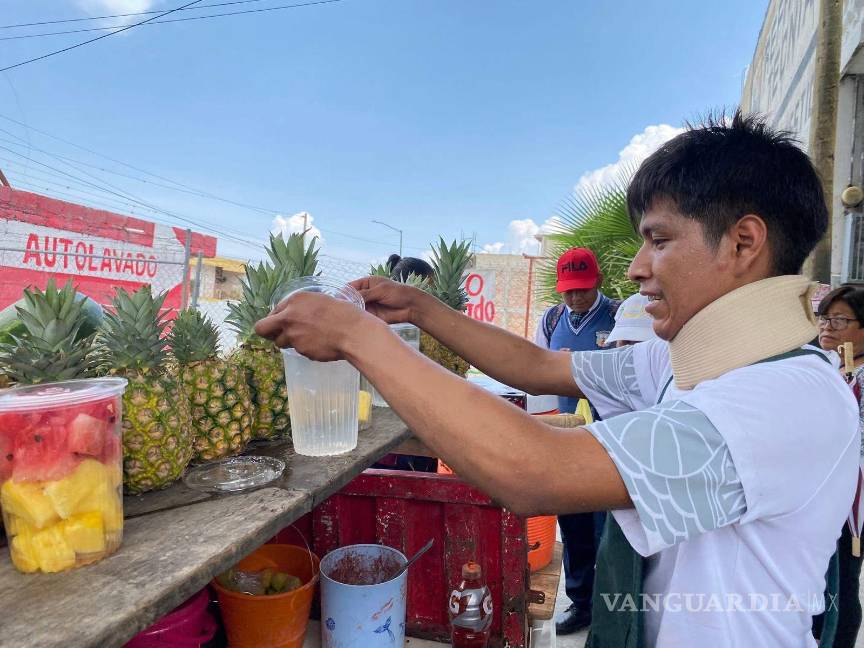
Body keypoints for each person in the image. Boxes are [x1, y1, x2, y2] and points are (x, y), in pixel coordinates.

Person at [256, 112, 858, 647]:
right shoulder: (682, 362)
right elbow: (540, 366)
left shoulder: (789, 400)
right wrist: (418, 308)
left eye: (659, 239)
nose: (637, 268)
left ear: (743, 242)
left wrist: (358, 338)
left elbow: (536, 472)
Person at [533, 247, 618, 634]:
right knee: (575, 526)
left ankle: (612, 608)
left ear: (598, 281)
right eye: (567, 290)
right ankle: (581, 603)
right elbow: (535, 369)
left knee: (610, 529)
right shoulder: (551, 320)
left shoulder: (620, 316)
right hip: (567, 440)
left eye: (582, 288)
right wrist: (553, 367)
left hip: (612, 441)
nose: (574, 297)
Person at [815, 285, 864, 648]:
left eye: (840, 320)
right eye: (824, 318)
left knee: (841, 583)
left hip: (851, 501)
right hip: (820, 494)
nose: (827, 327)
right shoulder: (825, 366)